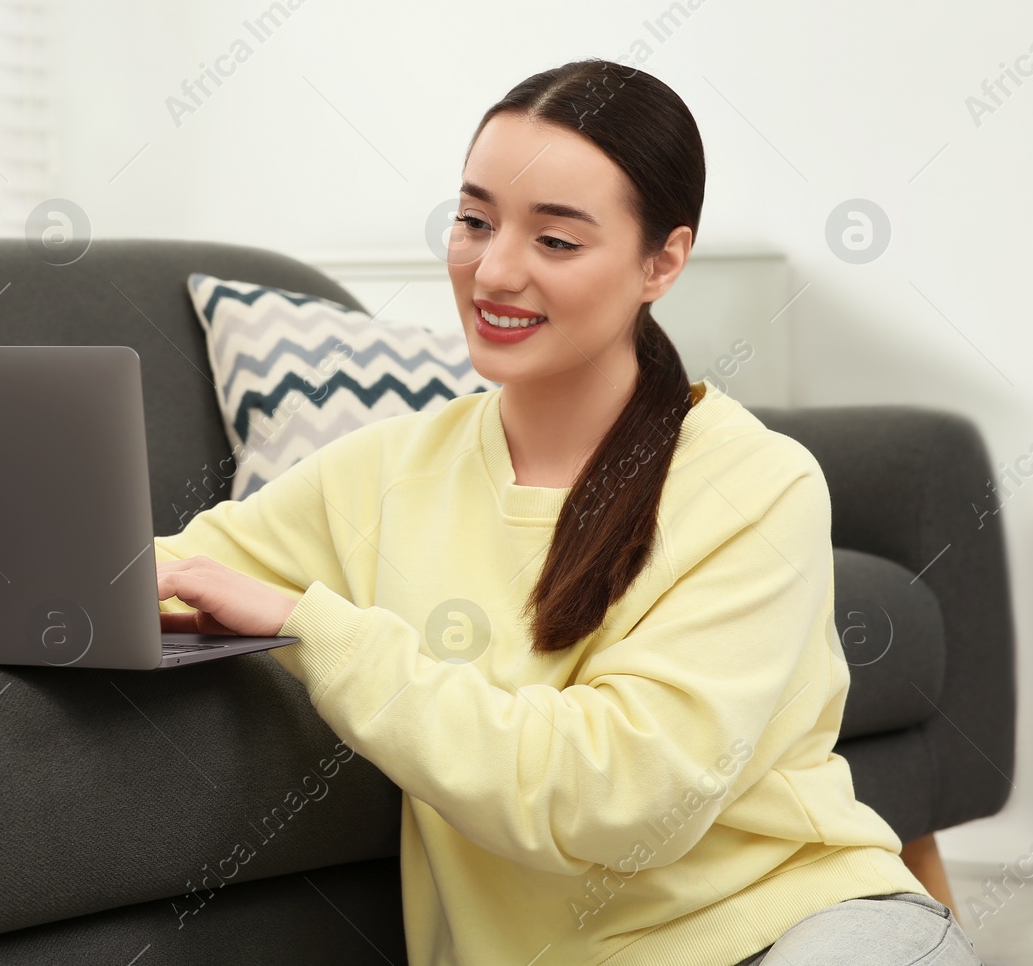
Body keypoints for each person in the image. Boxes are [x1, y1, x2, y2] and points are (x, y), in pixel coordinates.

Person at [154, 58, 983, 966]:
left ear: (662, 260)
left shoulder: (758, 483)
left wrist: (316, 628)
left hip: (795, 923)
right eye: (473, 221)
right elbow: (153, 575)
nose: (494, 270)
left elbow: (619, 796)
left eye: (556, 241)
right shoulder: (381, 473)